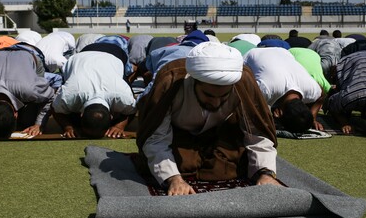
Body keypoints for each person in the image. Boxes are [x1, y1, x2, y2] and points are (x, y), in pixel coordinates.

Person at [136, 42, 279, 196]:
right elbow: (156, 138)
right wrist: (173, 179)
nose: (216, 103)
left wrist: (265, 174)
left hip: (219, 132)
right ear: (194, 81)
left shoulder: (243, 81)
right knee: (181, 164)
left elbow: (257, 132)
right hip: (177, 135)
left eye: (223, 96)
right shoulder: (171, 81)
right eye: (209, 95)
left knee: (229, 167)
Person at [0, 45, 55, 139]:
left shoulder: (29, 90)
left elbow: (50, 95)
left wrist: (39, 125)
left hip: (28, 54)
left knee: (28, 121)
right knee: (25, 120)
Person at [52, 50, 136, 139]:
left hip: (112, 57)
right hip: (79, 58)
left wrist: (119, 126)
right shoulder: (68, 95)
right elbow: (54, 108)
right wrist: (68, 127)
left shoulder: (123, 96)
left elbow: (133, 109)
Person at [244, 47, 325, 132]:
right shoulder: (266, 90)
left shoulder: (312, 90)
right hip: (252, 55)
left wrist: (312, 118)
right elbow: (243, 102)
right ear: (279, 112)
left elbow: (322, 95)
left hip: (283, 51)